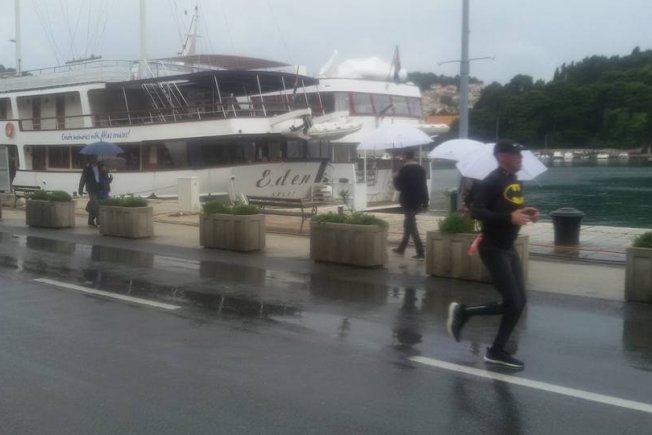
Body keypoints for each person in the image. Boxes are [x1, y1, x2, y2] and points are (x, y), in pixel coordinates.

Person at [446, 139, 540, 369]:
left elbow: (509, 207)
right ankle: (467, 318)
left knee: (519, 302)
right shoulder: (492, 180)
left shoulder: (514, 180)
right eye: (516, 155)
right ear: (502, 156)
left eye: (520, 155)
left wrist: (525, 211)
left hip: (508, 246)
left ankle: (494, 348)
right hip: (493, 248)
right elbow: (476, 211)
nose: (520, 158)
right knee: (513, 302)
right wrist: (509, 218)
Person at [392, 149, 429, 259]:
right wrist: (425, 202)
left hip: (407, 201)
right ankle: (401, 248)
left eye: (402, 156)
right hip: (418, 201)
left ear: (405, 156)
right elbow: (424, 187)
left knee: (412, 226)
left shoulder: (403, 170)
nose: (401, 158)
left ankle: (420, 252)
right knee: (408, 224)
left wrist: (395, 177)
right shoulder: (421, 169)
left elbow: (398, 187)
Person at [78, 156, 101, 226]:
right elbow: (83, 178)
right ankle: (99, 220)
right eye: (94, 158)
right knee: (96, 204)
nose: (95, 159)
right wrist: (80, 188)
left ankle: (90, 220)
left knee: (93, 204)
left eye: (96, 158)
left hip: (98, 188)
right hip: (91, 188)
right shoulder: (87, 168)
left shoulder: (99, 167)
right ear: (91, 159)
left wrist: (108, 179)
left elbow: (102, 177)